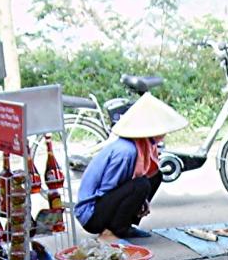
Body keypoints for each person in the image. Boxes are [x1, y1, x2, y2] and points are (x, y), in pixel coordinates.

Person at [74, 93, 188, 240]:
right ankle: (114, 231)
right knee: (141, 185)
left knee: (155, 176)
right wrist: (137, 200)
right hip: (92, 214)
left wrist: (141, 201)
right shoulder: (126, 151)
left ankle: (126, 226)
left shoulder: (146, 145)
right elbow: (107, 190)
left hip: (108, 202)